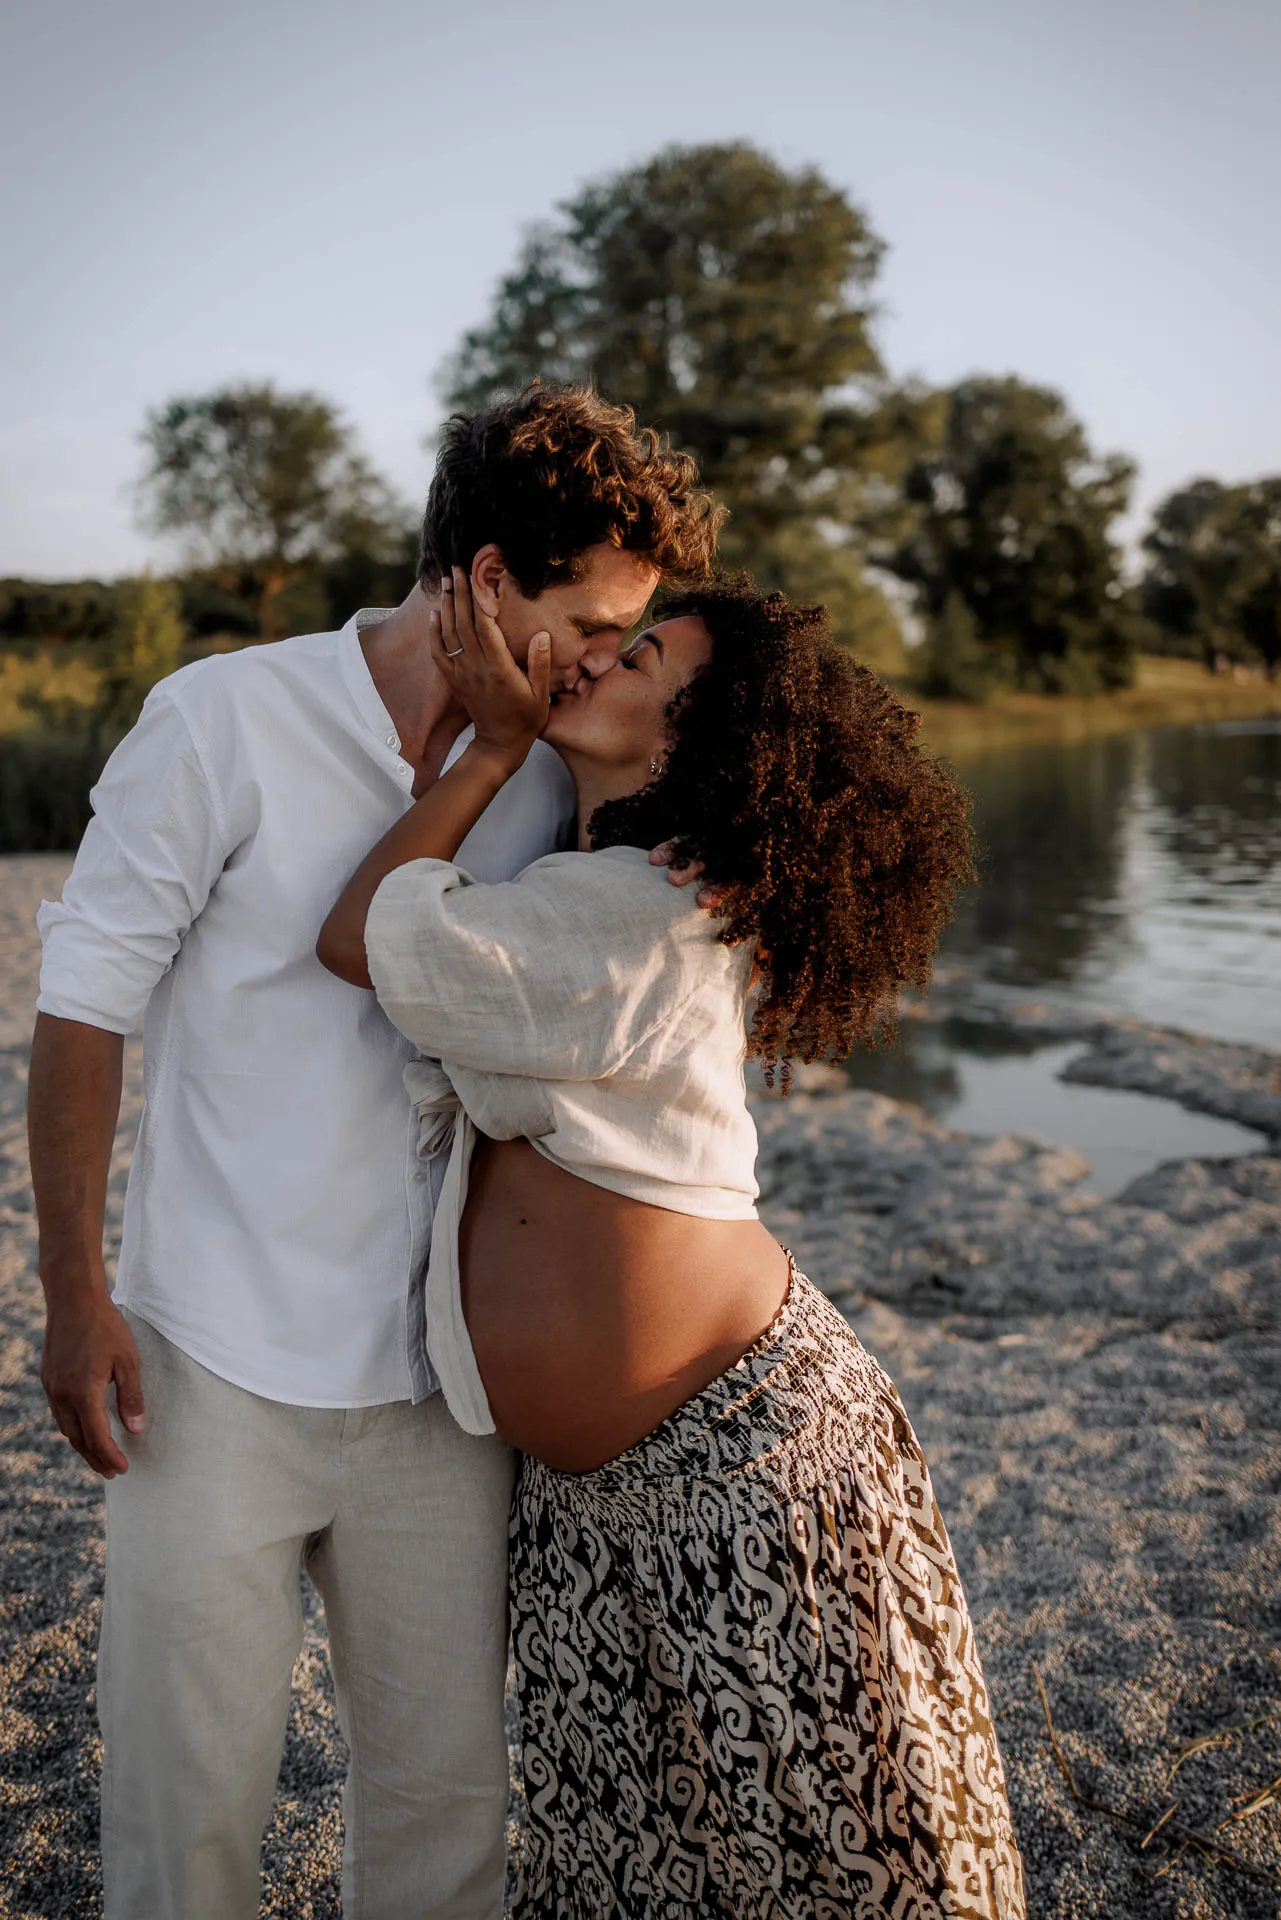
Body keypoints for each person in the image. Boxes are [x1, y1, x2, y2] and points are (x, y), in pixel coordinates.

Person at [27, 383, 721, 1920]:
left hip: (437, 1393)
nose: (599, 661)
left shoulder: (554, 772)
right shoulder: (223, 717)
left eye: (626, 639)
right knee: (184, 1826)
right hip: (208, 1366)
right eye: (589, 626)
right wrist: (74, 1292)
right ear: (487, 579)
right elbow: (83, 1008)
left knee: (446, 1818)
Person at [318, 573, 1027, 1919]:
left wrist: (495, 748)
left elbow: (363, 933)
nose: (598, 658)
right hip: (609, 1505)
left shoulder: (641, 912)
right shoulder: (603, 888)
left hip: (741, 1473)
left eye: (641, 658)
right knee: (666, 1869)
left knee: (836, 1863)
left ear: (701, 742)